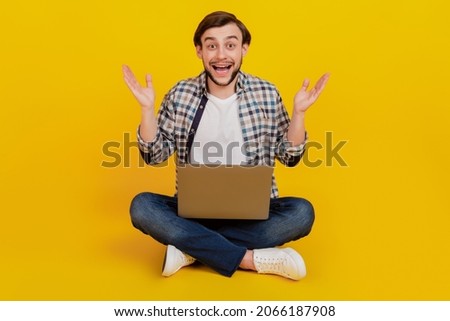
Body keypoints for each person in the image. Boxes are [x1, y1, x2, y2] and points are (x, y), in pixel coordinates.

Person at [122, 11, 329, 280]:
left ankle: (192, 249)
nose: (221, 55)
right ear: (199, 51)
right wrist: (147, 109)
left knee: (302, 213)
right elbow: (155, 156)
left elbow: (289, 157)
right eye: (211, 45)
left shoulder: (266, 92)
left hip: (255, 215)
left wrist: (299, 114)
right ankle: (248, 259)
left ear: (244, 48)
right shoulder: (180, 93)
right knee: (142, 207)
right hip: (194, 213)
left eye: (230, 45)